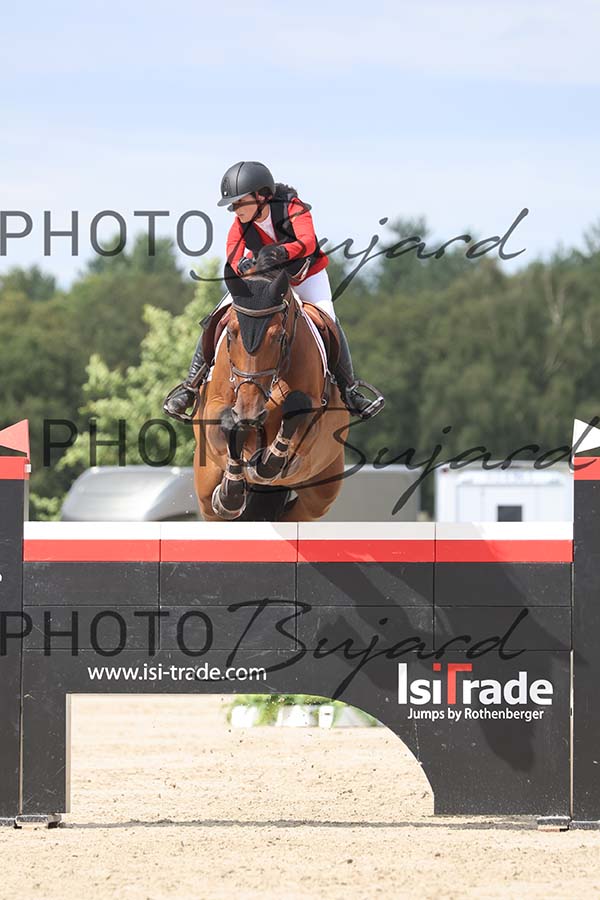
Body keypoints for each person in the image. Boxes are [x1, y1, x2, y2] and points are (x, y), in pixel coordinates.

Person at [163, 161, 384, 420]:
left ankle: (349, 390)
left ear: (261, 196)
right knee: (218, 317)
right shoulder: (241, 221)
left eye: (239, 201)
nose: (235, 209)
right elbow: (233, 251)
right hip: (265, 281)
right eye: (233, 204)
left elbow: (307, 242)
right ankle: (190, 387)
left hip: (306, 276)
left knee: (328, 322)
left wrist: (281, 251)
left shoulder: (292, 207)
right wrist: (241, 264)